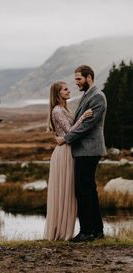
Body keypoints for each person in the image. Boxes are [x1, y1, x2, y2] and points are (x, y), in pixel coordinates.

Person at [55, 65, 107, 242]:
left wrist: (66, 139)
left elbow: (86, 126)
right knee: (88, 189)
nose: (76, 82)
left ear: (89, 78)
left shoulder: (98, 97)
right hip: (84, 150)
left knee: (83, 190)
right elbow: (80, 121)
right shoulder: (87, 95)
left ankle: (87, 231)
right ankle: (97, 230)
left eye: (79, 79)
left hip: (89, 150)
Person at [44, 81, 93, 241]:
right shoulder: (57, 110)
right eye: (65, 89)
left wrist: (64, 138)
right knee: (64, 191)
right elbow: (70, 131)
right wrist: (84, 117)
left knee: (69, 192)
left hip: (68, 149)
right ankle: (60, 232)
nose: (68, 91)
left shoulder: (64, 108)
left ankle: (67, 230)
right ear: (58, 93)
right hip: (63, 153)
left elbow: (67, 133)